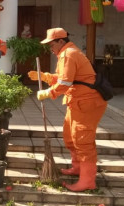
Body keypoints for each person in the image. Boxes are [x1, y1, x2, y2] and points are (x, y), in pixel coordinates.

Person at [28, 28, 107, 192]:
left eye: (51, 44)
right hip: (76, 102)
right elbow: (63, 78)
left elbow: (65, 84)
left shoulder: (68, 54)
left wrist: (48, 93)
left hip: (87, 103)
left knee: (83, 141)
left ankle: (87, 181)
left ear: (61, 41)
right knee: (70, 137)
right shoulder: (65, 54)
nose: (50, 47)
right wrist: (43, 76)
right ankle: (77, 168)